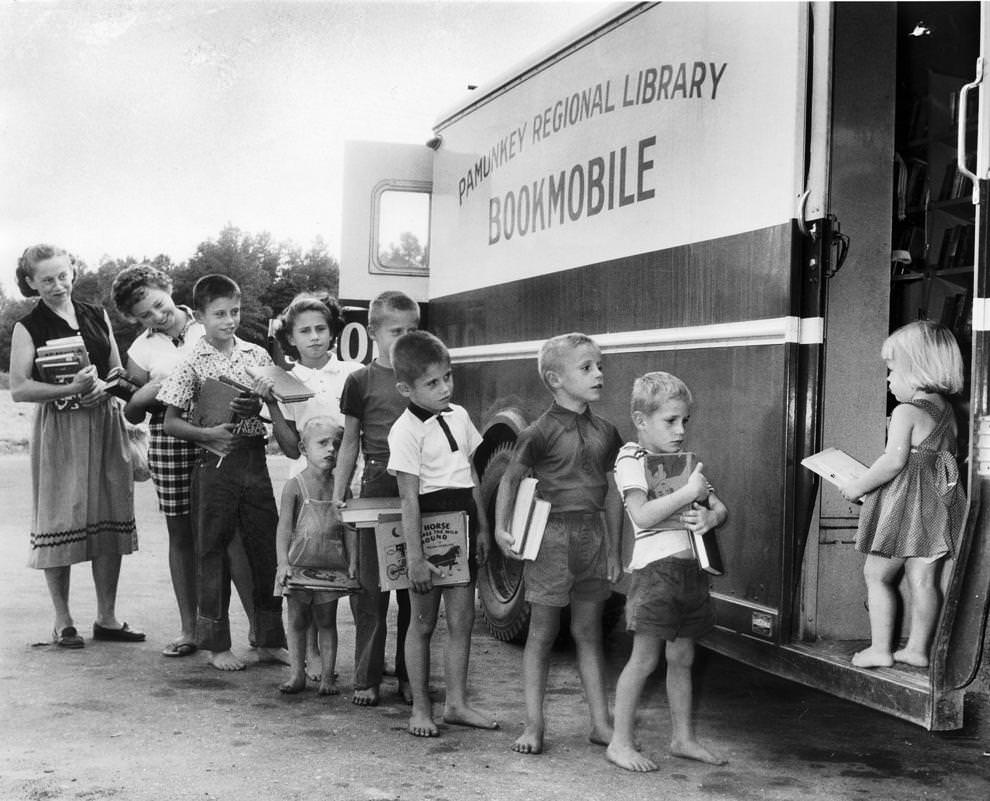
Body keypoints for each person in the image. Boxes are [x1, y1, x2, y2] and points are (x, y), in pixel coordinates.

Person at [111, 264, 260, 658]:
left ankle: (260, 631)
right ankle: (190, 628)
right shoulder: (140, 349)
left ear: (168, 289)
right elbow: (133, 412)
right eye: (144, 315)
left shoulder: (208, 320)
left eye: (159, 305)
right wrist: (152, 389)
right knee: (182, 534)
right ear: (132, 319)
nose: (156, 317)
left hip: (217, 426)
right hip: (168, 435)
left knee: (230, 533)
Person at [493, 332, 624, 755]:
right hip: (551, 536)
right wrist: (501, 528)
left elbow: (614, 491)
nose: (599, 374)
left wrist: (616, 551)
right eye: (586, 367)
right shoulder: (539, 431)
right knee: (543, 633)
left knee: (588, 632)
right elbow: (510, 480)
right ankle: (534, 724)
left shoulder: (606, 431)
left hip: (593, 537)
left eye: (600, 366)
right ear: (555, 379)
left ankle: (601, 724)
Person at [10, 244, 143, 648]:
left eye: (63, 275)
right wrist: (68, 388)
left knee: (110, 510)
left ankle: (107, 617)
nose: (57, 285)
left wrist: (105, 387)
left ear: (73, 272)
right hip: (62, 427)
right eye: (46, 279)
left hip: (104, 422)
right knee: (61, 516)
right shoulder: (28, 326)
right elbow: (18, 387)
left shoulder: (95, 313)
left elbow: (118, 371)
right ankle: (63, 619)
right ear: (31, 282)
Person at [157, 274, 288, 671]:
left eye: (234, 311)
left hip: (253, 460)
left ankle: (268, 640)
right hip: (213, 464)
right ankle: (216, 644)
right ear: (199, 316)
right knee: (211, 551)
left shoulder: (257, 355)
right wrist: (206, 434)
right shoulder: (190, 360)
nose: (229, 321)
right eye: (219, 314)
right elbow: (170, 422)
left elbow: (273, 412)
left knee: (265, 550)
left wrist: (262, 409)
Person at [606, 371, 728, 771]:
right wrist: (689, 493)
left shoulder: (683, 463)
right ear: (642, 421)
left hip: (690, 571)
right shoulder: (631, 458)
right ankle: (619, 743)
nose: (679, 431)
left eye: (684, 422)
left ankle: (683, 738)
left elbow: (718, 507)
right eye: (669, 421)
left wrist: (710, 519)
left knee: (683, 658)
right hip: (654, 574)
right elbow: (641, 515)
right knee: (644, 660)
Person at [837, 320, 966, 669]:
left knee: (876, 575)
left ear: (915, 368)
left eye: (892, 370)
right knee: (924, 581)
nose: (889, 379)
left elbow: (893, 461)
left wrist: (858, 486)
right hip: (940, 506)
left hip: (906, 510)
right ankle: (919, 650)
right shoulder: (948, 411)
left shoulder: (906, 412)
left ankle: (880, 648)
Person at [387, 330, 497, 736]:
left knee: (463, 619)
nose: (445, 387)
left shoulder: (460, 415)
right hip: (428, 524)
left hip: (463, 520)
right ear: (405, 388)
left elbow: (471, 476)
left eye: (448, 377)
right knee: (422, 622)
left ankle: (457, 703)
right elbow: (408, 500)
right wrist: (415, 557)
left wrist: (482, 527)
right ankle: (420, 707)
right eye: (433, 382)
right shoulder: (405, 431)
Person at [265, 292, 362, 681]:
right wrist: (272, 404)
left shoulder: (352, 373)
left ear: (333, 332)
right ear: (290, 338)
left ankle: (364, 655)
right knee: (308, 564)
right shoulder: (286, 379)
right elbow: (289, 447)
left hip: (347, 481)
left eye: (321, 328)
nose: (314, 337)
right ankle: (314, 659)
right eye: (304, 331)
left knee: (350, 564)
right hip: (304, 487)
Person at [333, 290, 419, 706]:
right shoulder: (360, 381)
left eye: (413, 330)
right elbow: (350, 441)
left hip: (420, 488)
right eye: (395, 330)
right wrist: (339, 490)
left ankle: (410, 675)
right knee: (371, 590)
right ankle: (366, 676)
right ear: (373, 332)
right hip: (377, 486)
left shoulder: (423, 377)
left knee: (413, 589)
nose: (404, 338)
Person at [275, 416, 357, 696]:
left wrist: (353, 561)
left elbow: (349, 529)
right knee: (297, 621)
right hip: (298, 567)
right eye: (322, 443)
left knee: (326, 622)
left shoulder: (341, 487)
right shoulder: (294, 486)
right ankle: (297, 673)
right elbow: (284, 528)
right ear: (303, 447)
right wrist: (283, 563)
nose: (331, 449)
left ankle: (327, 678)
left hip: (330, 570)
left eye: (336, 444)